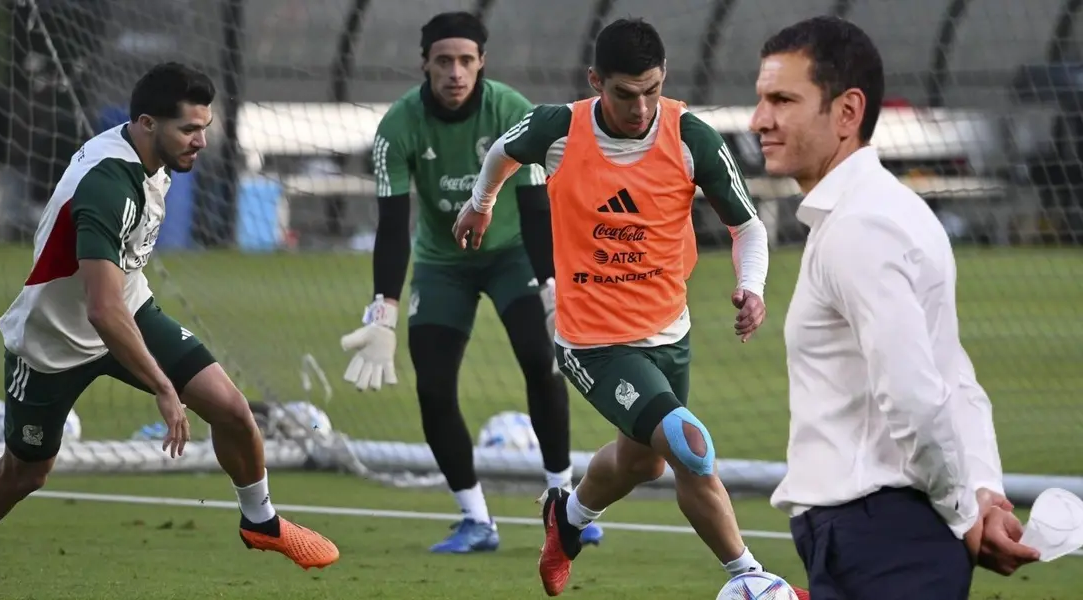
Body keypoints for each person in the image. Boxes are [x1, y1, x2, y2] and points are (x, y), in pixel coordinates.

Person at [0, 62, 340, 600]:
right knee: (27, 471)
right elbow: (101, 311)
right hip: (53, 342)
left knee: (232, 409)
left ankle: (260, 521)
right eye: (189, 130)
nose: (201, 140)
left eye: (205, 127)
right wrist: (164, 387)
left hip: (130, 308)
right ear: (147, 123)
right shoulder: (109, 184)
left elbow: (115, 301)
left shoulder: (155, 157)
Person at [453, 17, 805, 598]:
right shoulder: (558, 128)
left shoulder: (692, 137)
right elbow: (500, 152)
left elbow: (747, 227)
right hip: (591, 342)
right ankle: (753, 579)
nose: (640, 108)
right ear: (596, 81)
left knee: (643, 463)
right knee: (691, 446)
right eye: (624, 93)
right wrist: (481, 203)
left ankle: (566, 519)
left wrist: (753, 286)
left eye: (652, 91)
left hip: (669, 333)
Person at [751, 16, 1042, 599]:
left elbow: (914, 393)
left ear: (847, 113)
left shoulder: (862, 227)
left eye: (783, 99)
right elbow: (954, 374)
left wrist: (965, 513)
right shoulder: (888, 211)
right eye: (761, 100)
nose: (761, 119)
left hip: (881, 540)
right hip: (884, 535)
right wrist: (981, 492)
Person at [339, 11, 602, 554]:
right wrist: (382, 308)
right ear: (425, 65)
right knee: (433, 388)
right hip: (443, 262)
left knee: (542, 361)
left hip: (512, 255)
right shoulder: (397, 127)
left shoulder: (512, 111)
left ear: (482, 62)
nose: (455, 72)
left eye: (465, 60)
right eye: (443, 61)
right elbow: (392, 225)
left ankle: (563, 505)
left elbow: (534, 207)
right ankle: (476, 521)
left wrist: (552, 287)